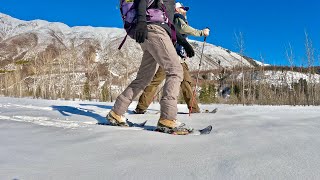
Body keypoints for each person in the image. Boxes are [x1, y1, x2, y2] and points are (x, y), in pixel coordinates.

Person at [106, 0, 195, 134]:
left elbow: (168, 23)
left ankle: (116, 112)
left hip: (150, 32)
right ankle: (168, 118)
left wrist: (183, 42)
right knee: (175, 71)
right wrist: (141, 21)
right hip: (154, 31)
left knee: (144, 78)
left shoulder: (168, 4)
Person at [134, 2, 210, 114]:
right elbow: (184, 29)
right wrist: (201, 32)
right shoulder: (177, 18)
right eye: (183, 8)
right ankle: (141, 107)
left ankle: (193, 108)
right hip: (170, 56)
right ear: (177, 9)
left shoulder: (171, 18)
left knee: (184, 81)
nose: (185, 11)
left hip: (176, 57)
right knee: (161, 80)